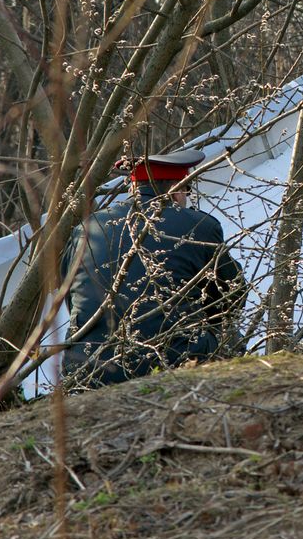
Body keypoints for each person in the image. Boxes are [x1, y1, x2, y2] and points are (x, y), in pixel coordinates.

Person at [61, 148, 244, 387]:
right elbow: (232, 294)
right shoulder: (198, 225)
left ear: (132, 189)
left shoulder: (86, 229)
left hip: (88, 368)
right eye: (186, 190)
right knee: (229, 336)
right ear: (178, 189)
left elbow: (71, 297)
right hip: (175, 361)